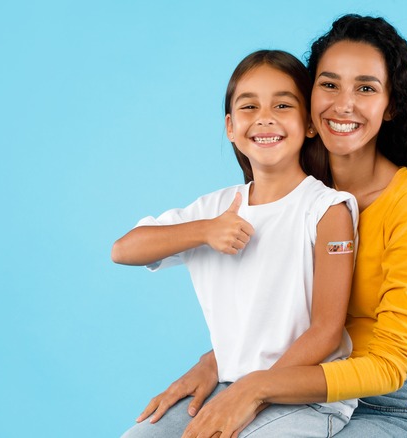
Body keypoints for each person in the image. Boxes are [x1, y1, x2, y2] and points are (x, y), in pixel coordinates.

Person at [140, 15, 407, 438]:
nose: (343, 104)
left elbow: (389, 366)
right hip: (287, 386)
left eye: (366, 88)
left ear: (391, 104)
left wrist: (254, 388)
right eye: (329, 84)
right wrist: (214, 364)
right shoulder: (298, 189)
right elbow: (273, 309)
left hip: (391, 408)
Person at [112, 50, 360, 437]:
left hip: (308, 396)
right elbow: (124, 250)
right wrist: (204, 231)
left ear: (310, 124)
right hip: (230, 385)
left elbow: (326, 331)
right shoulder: (214, 208)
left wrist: (252, 393)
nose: (265, 117)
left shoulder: (327, 210)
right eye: (249, 106)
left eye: (283, 104)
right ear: (230, 126)